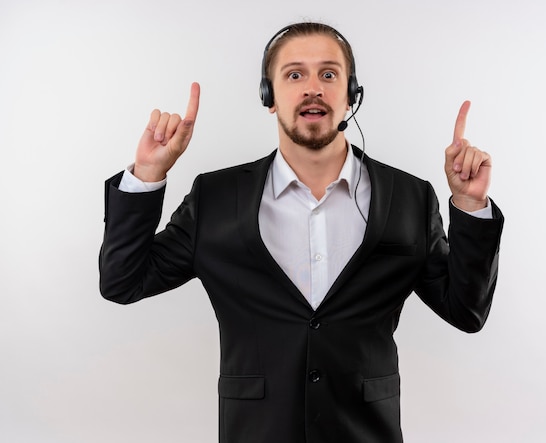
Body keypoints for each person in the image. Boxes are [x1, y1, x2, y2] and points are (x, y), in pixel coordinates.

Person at [99, 22, 504, 443]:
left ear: (352, 95)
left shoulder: (408, 197)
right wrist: (148, 174)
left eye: (329, 74)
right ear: (268, 97)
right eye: (295, 75)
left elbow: (466, 311)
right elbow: (123, 281)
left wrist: (470, 205)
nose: (314, 88)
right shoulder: (216, 198)